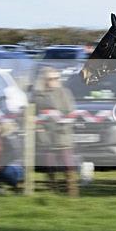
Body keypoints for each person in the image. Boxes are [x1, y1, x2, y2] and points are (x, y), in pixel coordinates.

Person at [33, 68, 78, 197]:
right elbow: (35, 116)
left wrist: (64, 127)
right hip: (47, 136)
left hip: (62, 134)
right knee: (49, 165)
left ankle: (72, 190)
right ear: (44, 80)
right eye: (51, 79)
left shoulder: (65, 93)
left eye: (57, 78)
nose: (54, 81)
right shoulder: (38, 96)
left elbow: (70, 112)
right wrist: (40, 131)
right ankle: (53, 190)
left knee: (68, 164)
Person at [0, 121, 25, 194]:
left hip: (12, 164)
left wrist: (2, 163)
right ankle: (15, 188)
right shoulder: (16, 136)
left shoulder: (7, 138)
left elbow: (13, 153)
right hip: (18, 163)